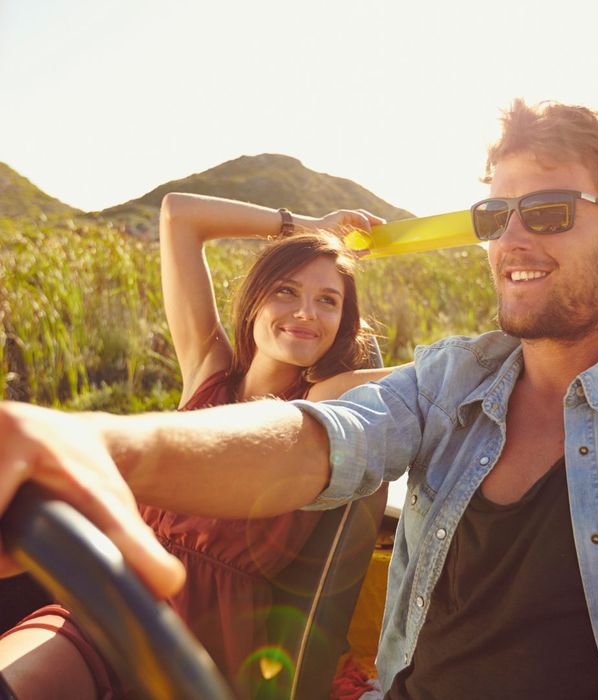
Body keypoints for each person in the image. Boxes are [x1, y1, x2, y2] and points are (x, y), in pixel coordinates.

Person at [1, 103, 598, 698]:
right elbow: (319, 439)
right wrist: (102, 444)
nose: (510, 239)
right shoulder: (448, 382)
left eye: (548, 213)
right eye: (493, 216)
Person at [0, 200, 393, 699]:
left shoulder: (324, 402)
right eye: (286, 291)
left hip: (207, 650)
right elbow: (179, 215)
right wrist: (308, 226)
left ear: (342, 321)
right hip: (107, 607)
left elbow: (443, 373)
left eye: (328, 301)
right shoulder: (208, 370)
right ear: (254, 302)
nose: (304, 313)